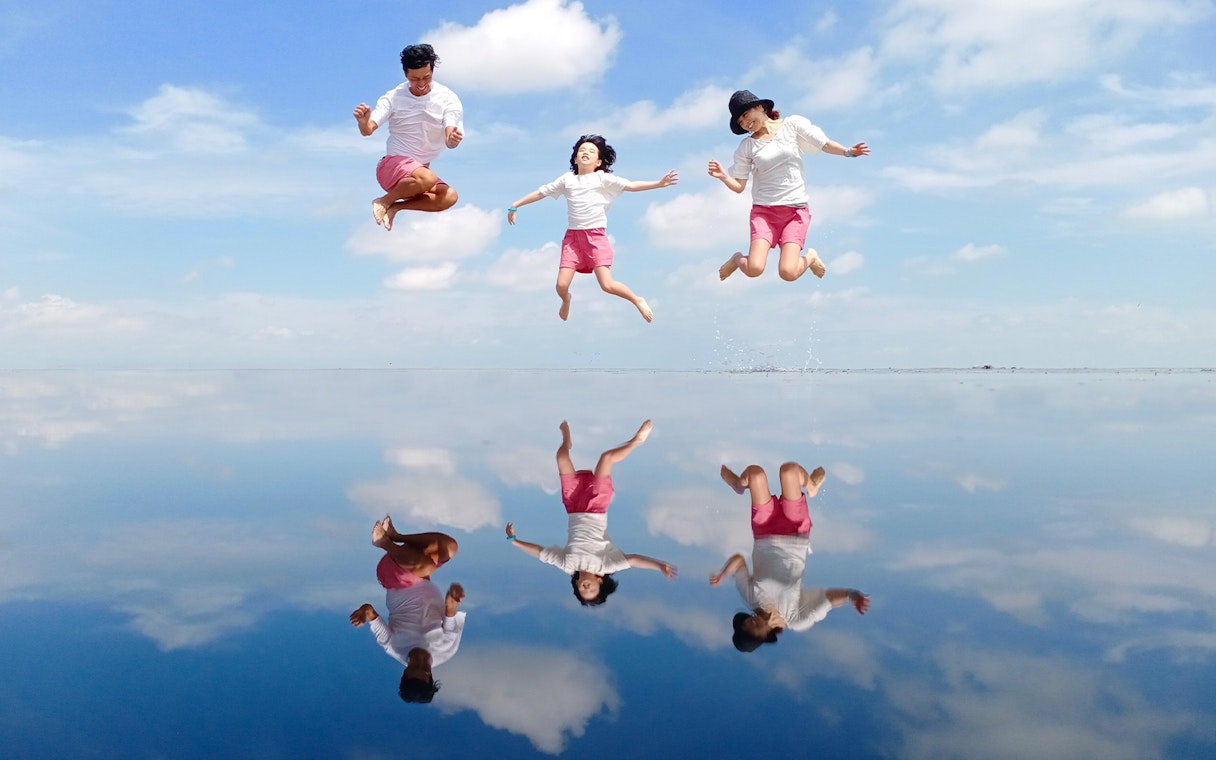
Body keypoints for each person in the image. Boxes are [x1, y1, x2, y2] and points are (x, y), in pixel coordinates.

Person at [507, 135, 678, 323]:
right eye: (582, 150)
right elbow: (541, 193)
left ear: (598, 162)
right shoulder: (567, 179)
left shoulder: (602, 178)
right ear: (575, 159)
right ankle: (566, 299)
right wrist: (516, 205)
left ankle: (637, 299)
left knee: (606, 285)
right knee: (561, 285)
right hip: (573, 239)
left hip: (595, 237)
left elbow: (631, 185)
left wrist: (659, 184)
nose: (585, 153)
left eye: (591, 151)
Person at [505, 420, 677, 605]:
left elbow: (540, 553)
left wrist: (515, 542)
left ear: (577, 583)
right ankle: (636, 442)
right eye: (592, 589)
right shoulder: (605, 566)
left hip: (573, 505)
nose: (586, 588)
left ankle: (566, 440)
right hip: (596, 505)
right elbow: (634, 560)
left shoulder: (567, 565)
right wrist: (659, 565)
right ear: (600, 581)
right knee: (606, 458)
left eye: (582, 590)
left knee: (562, 458)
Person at [708, 89, 869, 283]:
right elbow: (739, 186)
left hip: (795, 211)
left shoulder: (791, 125)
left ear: (760, 107)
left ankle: (810, 257)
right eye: (741, 121)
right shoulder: (747, 146)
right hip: (764, 213)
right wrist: (723, 176)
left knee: (788, 273)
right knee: (754, 269)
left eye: (745, 114)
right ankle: (736, 259)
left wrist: (848, 151)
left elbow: (823, 144)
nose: (745, 122)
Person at [709, 462, 869, 652]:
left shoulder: (750, 597)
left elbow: (738, 562)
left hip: (764, 530)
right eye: (750, 633)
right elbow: (827, 601)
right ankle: (812, 488)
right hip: (796, 533)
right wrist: (852, 595)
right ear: (766, 637)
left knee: (755, 474)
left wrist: (724, 572)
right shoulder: (796, 619)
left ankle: (738, 486)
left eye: (743, 625)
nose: (749, 625)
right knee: (789, 471)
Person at [349, 515, 466, 703]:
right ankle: (397, 537)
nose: (420, 660)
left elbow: (370, 612)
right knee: (450, 547)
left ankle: (384, 543)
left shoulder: (393, 646)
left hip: (392, 577)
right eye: (425, 667)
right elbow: (450, 611)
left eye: (414, 665)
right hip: (417, 570)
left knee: (426, 566)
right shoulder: (446, 649)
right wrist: (453, 598)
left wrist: (363, 614)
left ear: (405, 671)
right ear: (430, 675)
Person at [353, 43, 464, 231]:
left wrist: (451, 140)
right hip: (392, 167)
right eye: (414, 79)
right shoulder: (394, 97)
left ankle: (395, 206)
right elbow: (368, 130)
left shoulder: (448, 99)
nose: (421, 84)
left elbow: (450, 129)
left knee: (449, 197)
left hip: (418, 176)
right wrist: (363, 122)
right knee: (427, 178)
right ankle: (383, 201)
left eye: (426, 78)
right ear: (406, 74)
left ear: (433, 71)